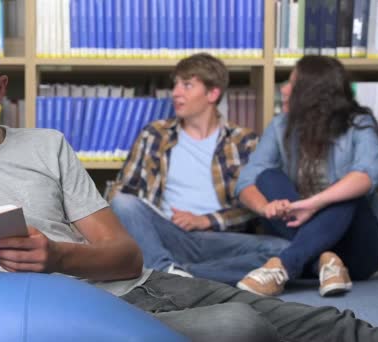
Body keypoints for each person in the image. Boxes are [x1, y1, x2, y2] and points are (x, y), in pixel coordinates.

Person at [0, 19, 378, 341]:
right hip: (77, 314)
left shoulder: (48, 146)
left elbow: (126, 255)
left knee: (319, 323)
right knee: (240, 324)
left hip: (144, 284)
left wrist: (59, 257)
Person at [108, 53, 289, 284]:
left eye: (187, 85)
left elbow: (253, 206)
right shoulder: (154, 135)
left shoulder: (244, 141)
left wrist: (207, 220)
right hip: (168, 233)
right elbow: (122, 192)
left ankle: (179, 274)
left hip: (219, 238)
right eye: (175, 84)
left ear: (212, 93)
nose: (176, 93)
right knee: (124, 203)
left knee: (285, 251)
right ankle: (168, 272)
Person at [235, 55, 378, 298]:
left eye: (292, 84)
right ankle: (324, 263)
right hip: (302, 232)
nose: (284, 90)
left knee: (348, 192)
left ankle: (283, 266)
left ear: (313, 93)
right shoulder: (280, 126)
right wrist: (267, 207)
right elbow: (246, 181)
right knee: (267, 177)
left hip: (359, 250)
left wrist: (314, 203)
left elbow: (368, 174)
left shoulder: (359, 124)